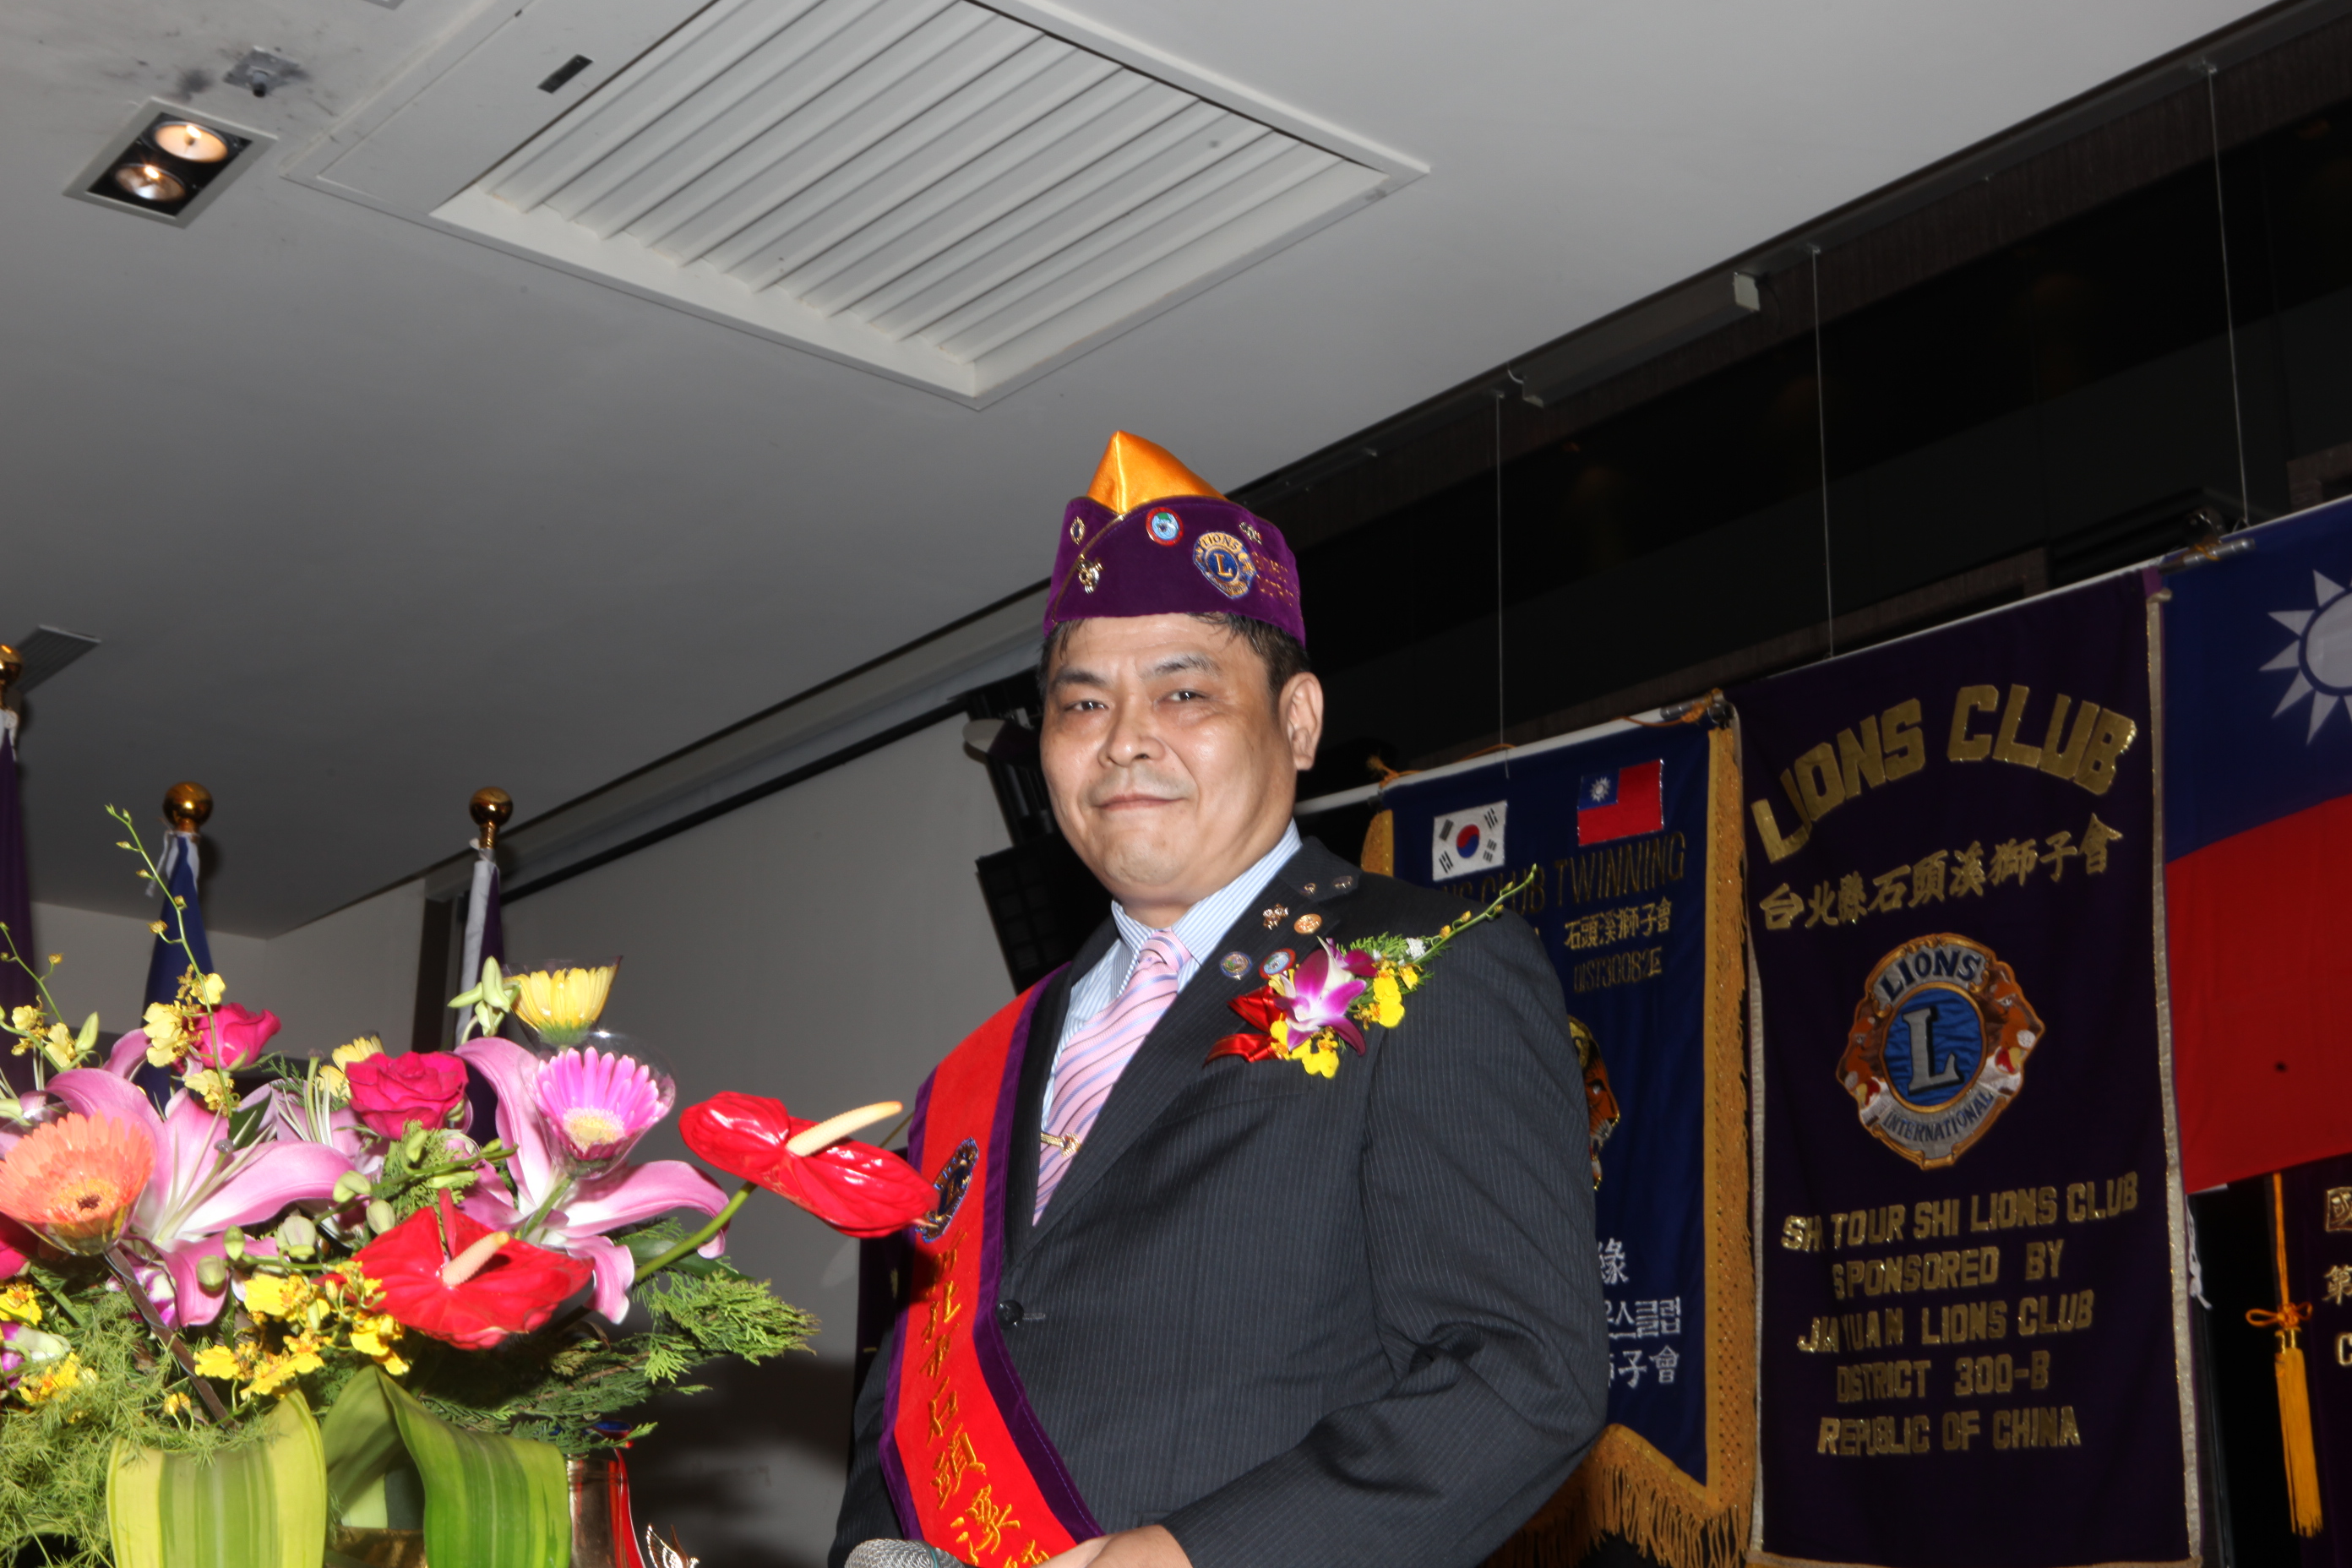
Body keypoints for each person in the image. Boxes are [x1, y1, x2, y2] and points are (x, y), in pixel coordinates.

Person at [831, 433, 1606, 1568]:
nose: (1124, 742)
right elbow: (889, 1458)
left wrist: (1194, 1556)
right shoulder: (969, 1078)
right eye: (1081, 705)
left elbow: (1523, 1374)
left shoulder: (1433, 966)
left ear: (1298, 720)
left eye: (1184, 691)